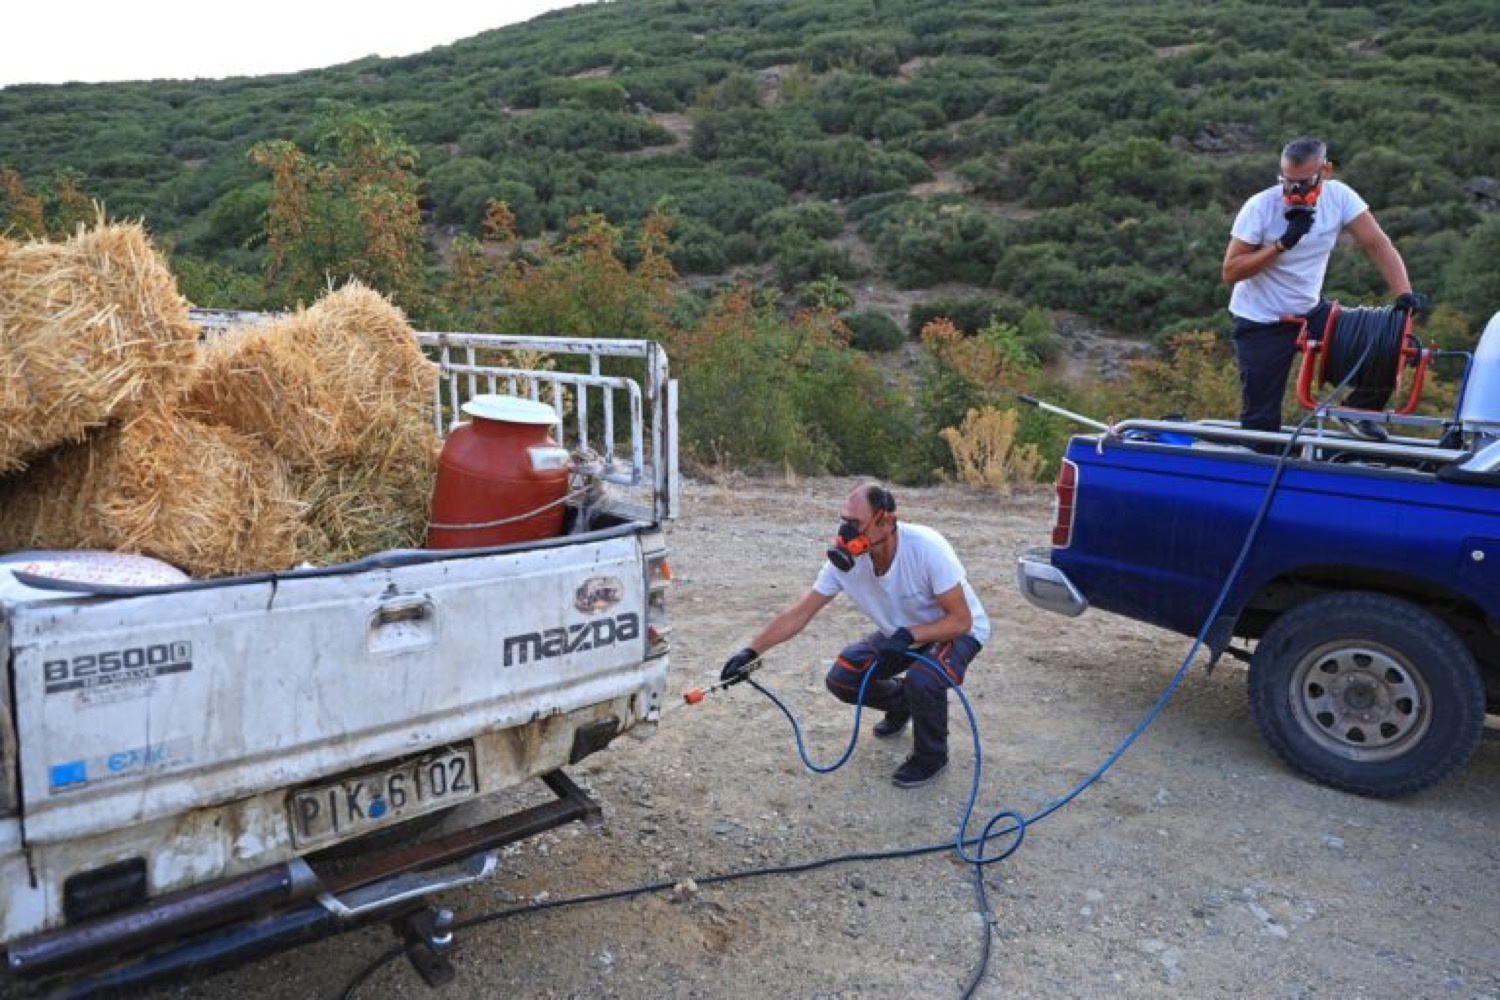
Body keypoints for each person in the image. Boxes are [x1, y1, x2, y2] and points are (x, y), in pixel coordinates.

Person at [719, 482, 989, 789]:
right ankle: (903, 704)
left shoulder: (926, 547)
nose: (845, 534)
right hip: (902, 632)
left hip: (956, 630)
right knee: (844, 677)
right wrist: (751, 652)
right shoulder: (845, 565)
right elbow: (800, 613)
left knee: (922, 680)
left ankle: (931, 756)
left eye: (855, 524)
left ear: (885, 521)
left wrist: (911, 634)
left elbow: (961, 620)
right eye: (843, 521)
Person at [1221, 136, 1427, 441]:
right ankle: (1262, 458)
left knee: (1388, 338)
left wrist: (1404, 293)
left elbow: (1377, 244)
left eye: (1304, 182)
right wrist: (1281, 245)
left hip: (1309, 311)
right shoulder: (1261, 206)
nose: (1294, 191)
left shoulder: (1340, 197)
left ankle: (1358, 412)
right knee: (1261, 421)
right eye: (1287, 182)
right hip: (1261, 318)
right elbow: (1231, 271)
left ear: (1325, 171)